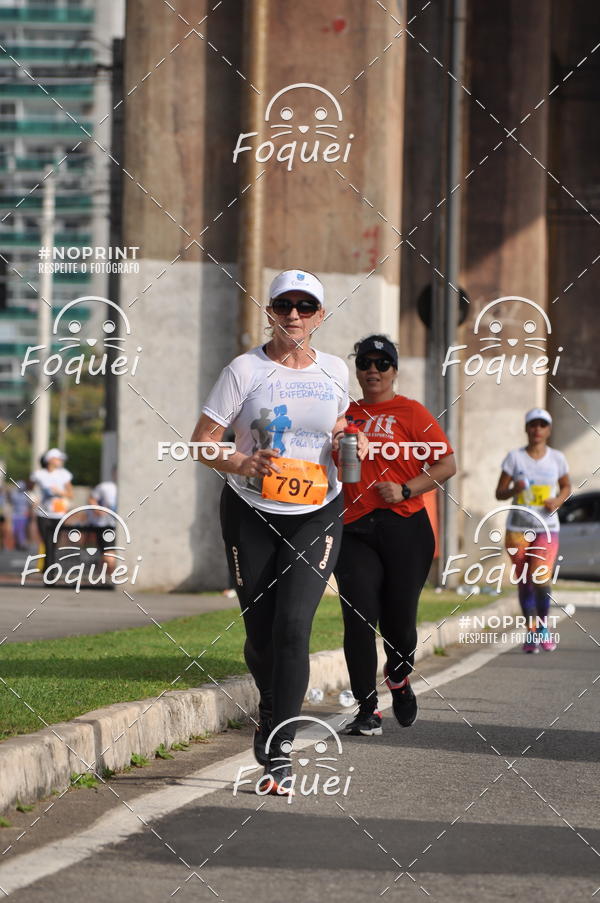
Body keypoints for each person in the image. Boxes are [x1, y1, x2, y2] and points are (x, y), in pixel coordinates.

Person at [191, 269, 367, 794]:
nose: (294, 314)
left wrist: (347, 438)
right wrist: (242, 463)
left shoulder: (336, 371)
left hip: (318, 510)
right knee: (261, 635)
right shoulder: (244, 370)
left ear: (319, 316)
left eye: (305, 306)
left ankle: (279, 754)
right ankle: (271, 706)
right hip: (251, 511)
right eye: (283, 305)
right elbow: (202, 442)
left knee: (294, 627)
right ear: (269, 311)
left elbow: (340, 427)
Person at [334, 335, 456, 737]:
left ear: (394, 370)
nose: (372, 370)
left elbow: (447, 463)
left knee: (400, 622)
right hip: (355, 529)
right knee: (358, 618)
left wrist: (406, 489)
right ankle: (367, 709)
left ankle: (399, 678)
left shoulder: (411, 412)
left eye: (381, 363)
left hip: (405, 527)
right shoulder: (343, 413)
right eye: (365, 362)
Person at [495, 408, 570, 653]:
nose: (537, 429)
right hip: (517, 529)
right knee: (525, 581)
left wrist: (558, 500)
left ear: (548, 430)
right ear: (526, 429)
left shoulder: (557, 458)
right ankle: (530, 633)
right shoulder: (514, 458)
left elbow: (566, 486)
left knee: (541, 579)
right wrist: (514, 488)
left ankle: (543, 627)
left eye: (542, 425)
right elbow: (499, 493)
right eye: (533, 425)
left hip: (547, 528)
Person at [30, 448, 73, 574]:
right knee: (47, 541)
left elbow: (70, 494)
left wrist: (59, 492)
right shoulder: (39, 474)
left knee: (53, 542)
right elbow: (29, 489)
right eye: (58, 458)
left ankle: (49, 568)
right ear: (49, 460)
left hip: (58, 514)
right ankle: (50, 571)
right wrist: (32, 498)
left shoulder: (64, 474)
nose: (60, 461)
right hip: (42, 513)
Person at [88, 469, 118, 574]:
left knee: (107, 555)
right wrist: (97, 510)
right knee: (109, 555)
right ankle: (109, 578)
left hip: (123, 527)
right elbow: (92, 499)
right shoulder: (106, 487)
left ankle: (103, 577)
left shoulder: (132, 487)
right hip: (106, 526)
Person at [10, 480, 32, 551]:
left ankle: (23, 544)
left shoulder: (26, 495)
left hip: (23, 516)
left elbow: (30, 505)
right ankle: (18, 543)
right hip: (16, 515)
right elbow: (12, 500)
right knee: (16, 530)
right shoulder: (15, 494)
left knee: (21, 530)